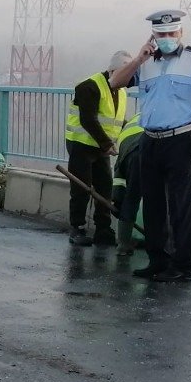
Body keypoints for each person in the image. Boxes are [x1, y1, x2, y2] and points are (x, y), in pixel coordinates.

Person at [109, 9, 191, 283]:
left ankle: (182, 265)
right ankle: (157, 260)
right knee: (153, 206)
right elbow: (116, 82)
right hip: (150, 140)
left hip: (180, 139)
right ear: (153, 36)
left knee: (180, 205)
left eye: (172, 33)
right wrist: (138, 59)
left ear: (181, 33)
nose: (167, 38)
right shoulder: (146, 62)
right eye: (161, 34)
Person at [65, 50, 132, 247]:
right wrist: (107, 143)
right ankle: (76, 228)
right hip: (81, 144)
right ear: (113, 71)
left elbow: (117, 120)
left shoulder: (121, 90)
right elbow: (88, 119)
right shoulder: (89, 86)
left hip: (101, 148)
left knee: (105, 188)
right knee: (81, 188)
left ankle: (103, 229)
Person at [112, 114, 145, 256]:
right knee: (160, 199)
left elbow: (120, 178)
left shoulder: (122, 138)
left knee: (131, 198)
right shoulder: (140, 115)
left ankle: (123, 245)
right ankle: (164, 246)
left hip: (136, 155)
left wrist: (117, 201)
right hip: (155, 147)